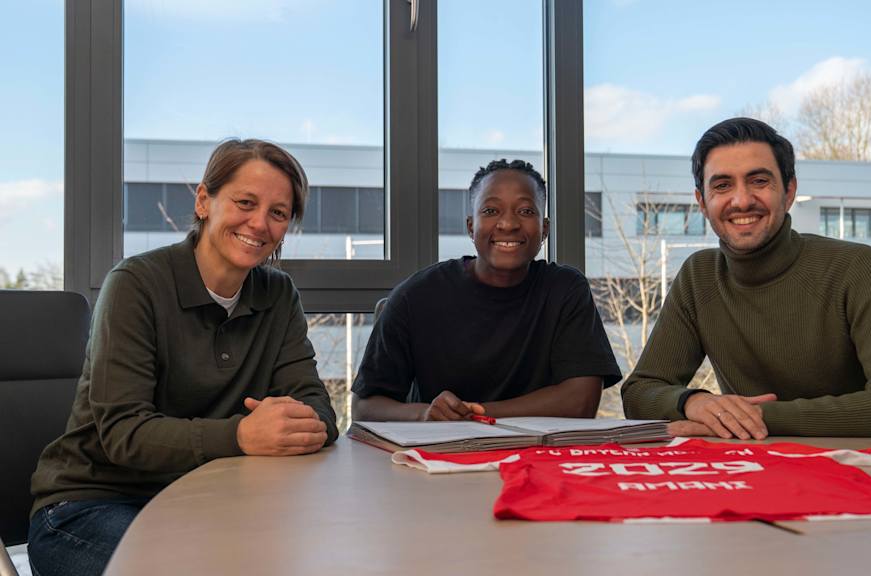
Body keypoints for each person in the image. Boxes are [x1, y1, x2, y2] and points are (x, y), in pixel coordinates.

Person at [28, 139, 339, 576]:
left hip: (205, 505)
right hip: (89, 506)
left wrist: (298, 424)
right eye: (245, 202)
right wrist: (243, 436)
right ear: (203, 200)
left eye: (278, 213)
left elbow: (319, 412)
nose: (260, 223)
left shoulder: (278, 295)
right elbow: (124, 433)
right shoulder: (135, 285)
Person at [621, 117, 871, 439]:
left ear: (789, 192)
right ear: (702, 202)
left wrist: (750, 418)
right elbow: (638, 393)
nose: (741, 200)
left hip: (860, 468)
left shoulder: (855, 266)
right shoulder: (698, 276)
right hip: (754, 470)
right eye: (722, 186)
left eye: (758, 181)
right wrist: (694, 402)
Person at [352, 159, 621, 421]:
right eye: (491, 211)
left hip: (538, 453)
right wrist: (424, 413)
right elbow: (365, 406)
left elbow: (581, 401)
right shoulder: (417, 295)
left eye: (526, 211)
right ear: (471, 226)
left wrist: (474, 414)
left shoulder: (565, 290)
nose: (508, 224)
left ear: (545, 229)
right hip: (438, 453)